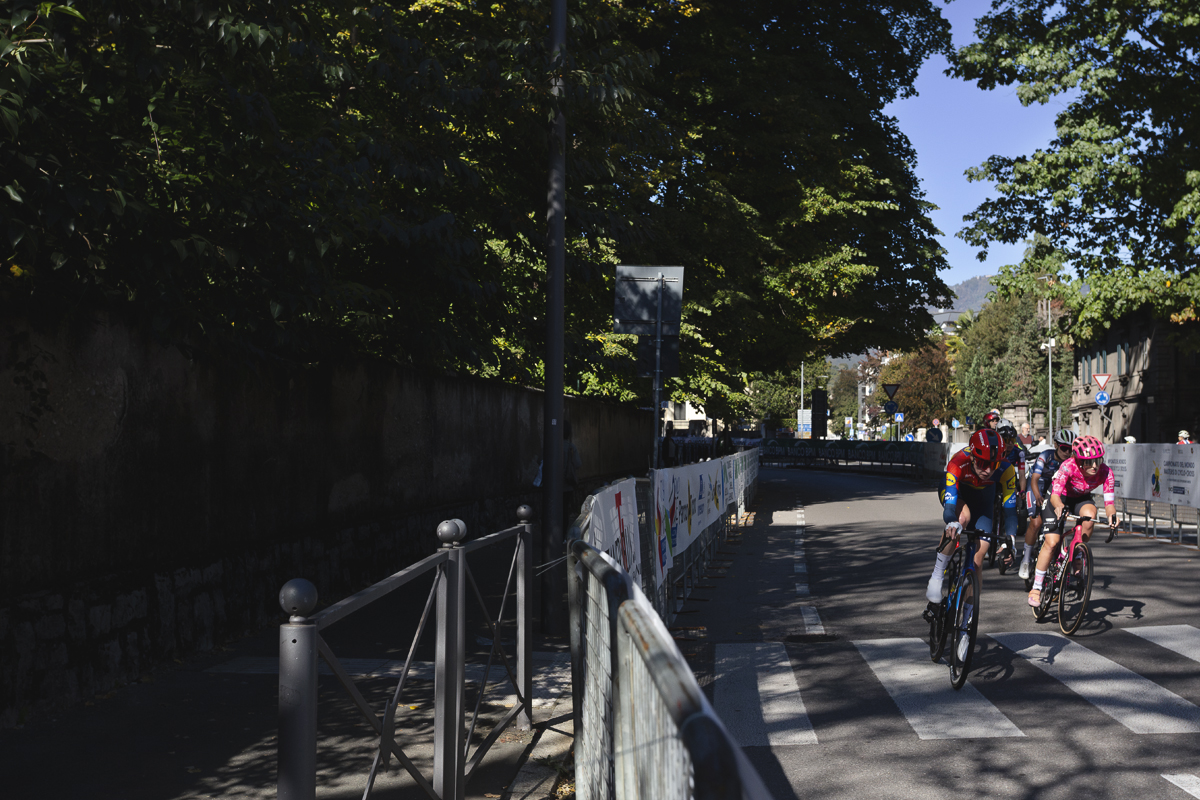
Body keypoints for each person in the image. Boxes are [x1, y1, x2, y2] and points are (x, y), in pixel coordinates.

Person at [926, 429, 1018, 629]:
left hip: (983, 500)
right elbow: (950, 509)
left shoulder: (1007, 469)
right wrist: (952, 523)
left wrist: (1010, 539)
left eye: (993, 465)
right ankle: (937, 575)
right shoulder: (958, 461)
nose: (987, 470)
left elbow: (1010, 513)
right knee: (962, 518)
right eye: (983, 463)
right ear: (973, 455)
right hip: (957, 494)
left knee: (978, 560)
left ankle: (967, 620)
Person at [1028, 435, 1120, 607]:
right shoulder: (1067, 467)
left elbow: (1109, 504)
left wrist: (1112, 516)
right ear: (1078, 461)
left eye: (1097, 460)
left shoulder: (1106, 472)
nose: (1094, 466)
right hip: (1058, 496)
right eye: (1088, 462)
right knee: (1052, 541)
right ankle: (1036, 587)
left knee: (1090, 515)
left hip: (1080, 498)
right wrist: (1059, 507)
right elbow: (1055, 496)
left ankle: (1077, 552)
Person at [1020, 429, 1076, 579]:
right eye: (1064, 448)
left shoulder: (1071, 461)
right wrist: (1038, 497)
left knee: (1058, 524)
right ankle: (1025, 560)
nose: (1067, 452)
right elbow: (1034, 479)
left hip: (1055, 490)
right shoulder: (1046, 456)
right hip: (1038, 486)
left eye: (1071, 449)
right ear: (1056, 445)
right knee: (1036, 522)